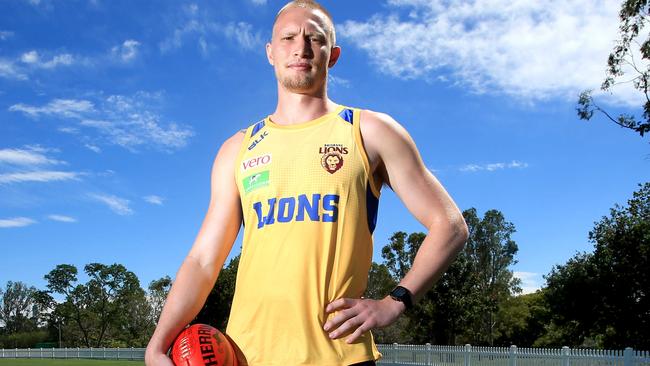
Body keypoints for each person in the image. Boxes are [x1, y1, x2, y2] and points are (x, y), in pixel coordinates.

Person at [145, 1, 469, 365]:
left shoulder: (369, 131)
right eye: (288, 37)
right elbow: (204, 261)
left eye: (314, 38)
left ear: (333, 55)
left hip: (340, 355)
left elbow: (450, 225)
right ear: (270, 52)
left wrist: (394, 302)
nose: (301, 48)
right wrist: (158, 343)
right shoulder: (236, 149)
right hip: (248, 356)